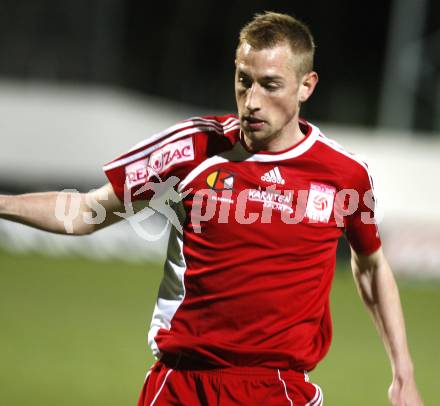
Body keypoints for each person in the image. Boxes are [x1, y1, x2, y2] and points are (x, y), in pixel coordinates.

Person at [0, 12, 423, 406]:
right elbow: (85, 212)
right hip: (181, 385)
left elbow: (370, 265)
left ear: (306, 86)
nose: (252, 100)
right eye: (244, 81)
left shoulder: (344, 175)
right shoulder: (192, 148)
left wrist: (402, 370)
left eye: (270, 85)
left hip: (277, 388)